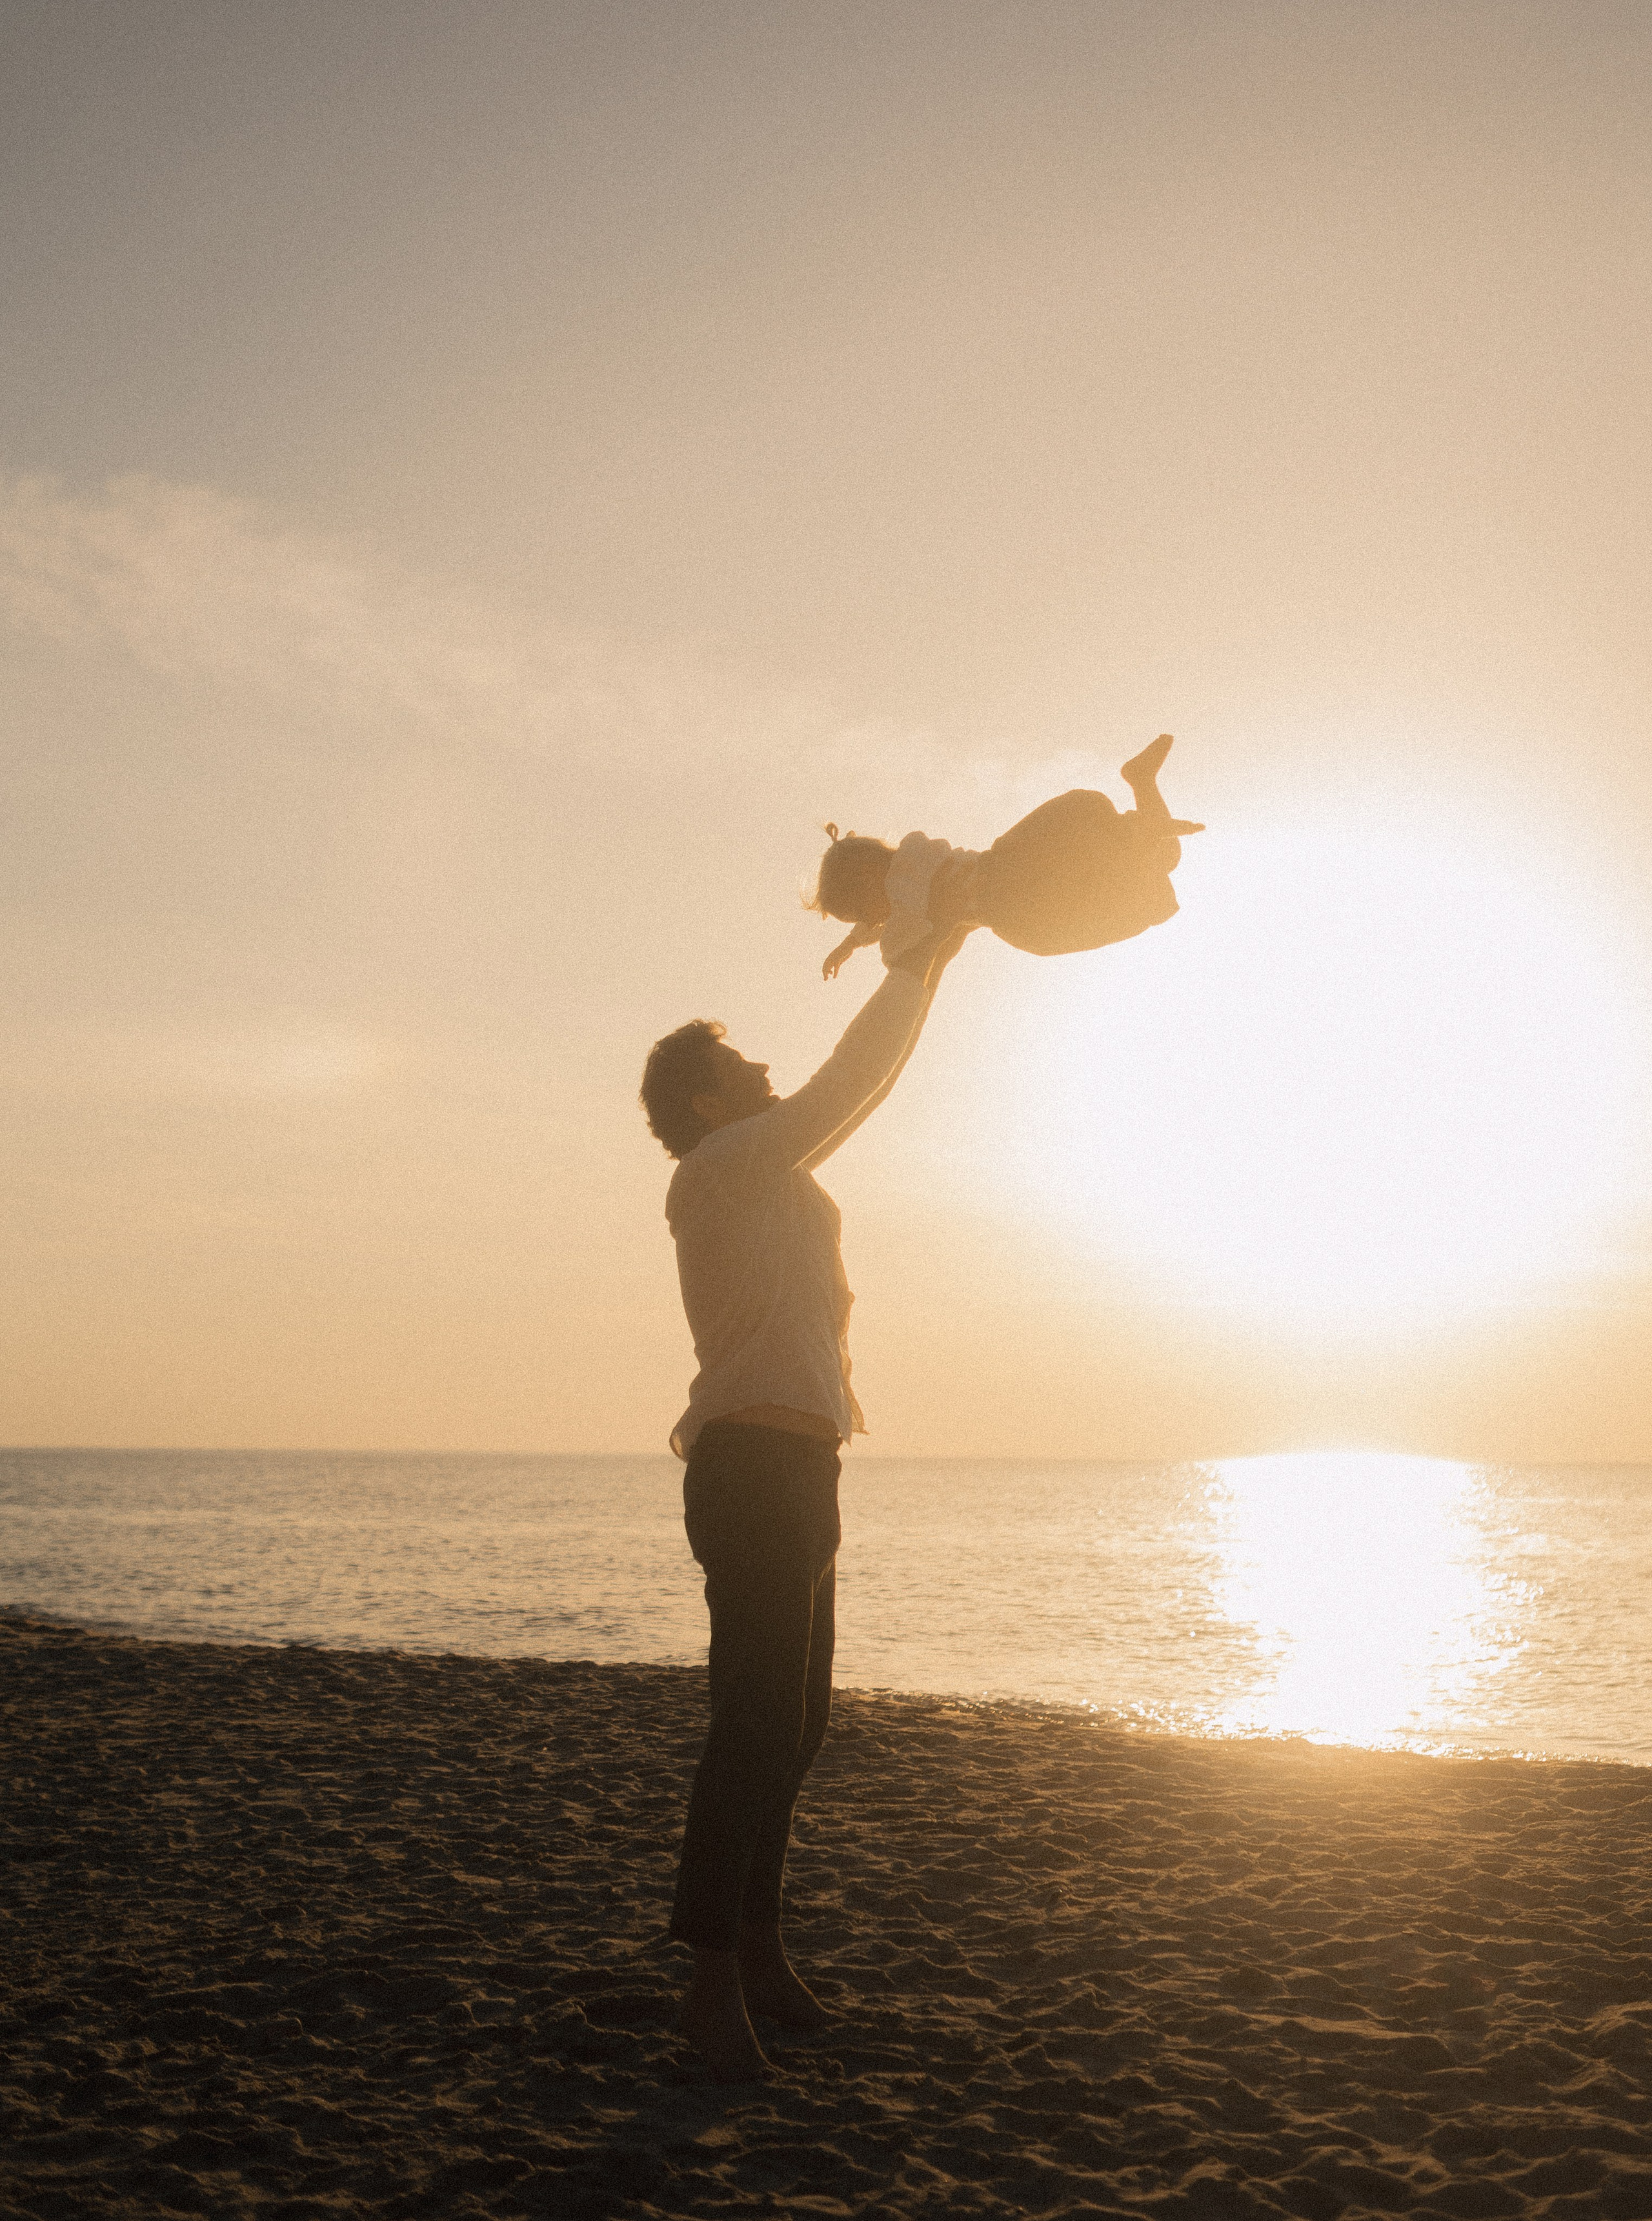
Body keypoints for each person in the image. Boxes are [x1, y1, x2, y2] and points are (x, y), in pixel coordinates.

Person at [639, 917, 973, 2080]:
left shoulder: (766, 1173)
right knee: (753, 1728)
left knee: (799, 1730)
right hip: (749, 1470)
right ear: (702, 1099)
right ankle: (711, 1984)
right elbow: (845, 1082)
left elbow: (859, 1088)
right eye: (738, 1066)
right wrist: (917, 956)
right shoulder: (717, 1170)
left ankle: (764, 1952)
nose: (762, 1070)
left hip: (802, 1467)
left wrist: (940, 948)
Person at [812, 733, 1203, 980]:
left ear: (867, 878)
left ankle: (1135, 813)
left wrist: (856, 944)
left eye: (864, 911)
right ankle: (1140, 783)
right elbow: (893, 917)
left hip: (1013, 884)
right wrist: (851, 944)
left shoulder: (906, 879)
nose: (873, 920)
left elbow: (896, 923)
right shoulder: (907, 879)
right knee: (1163, 858)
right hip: (1020, 883)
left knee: (1142, 873)